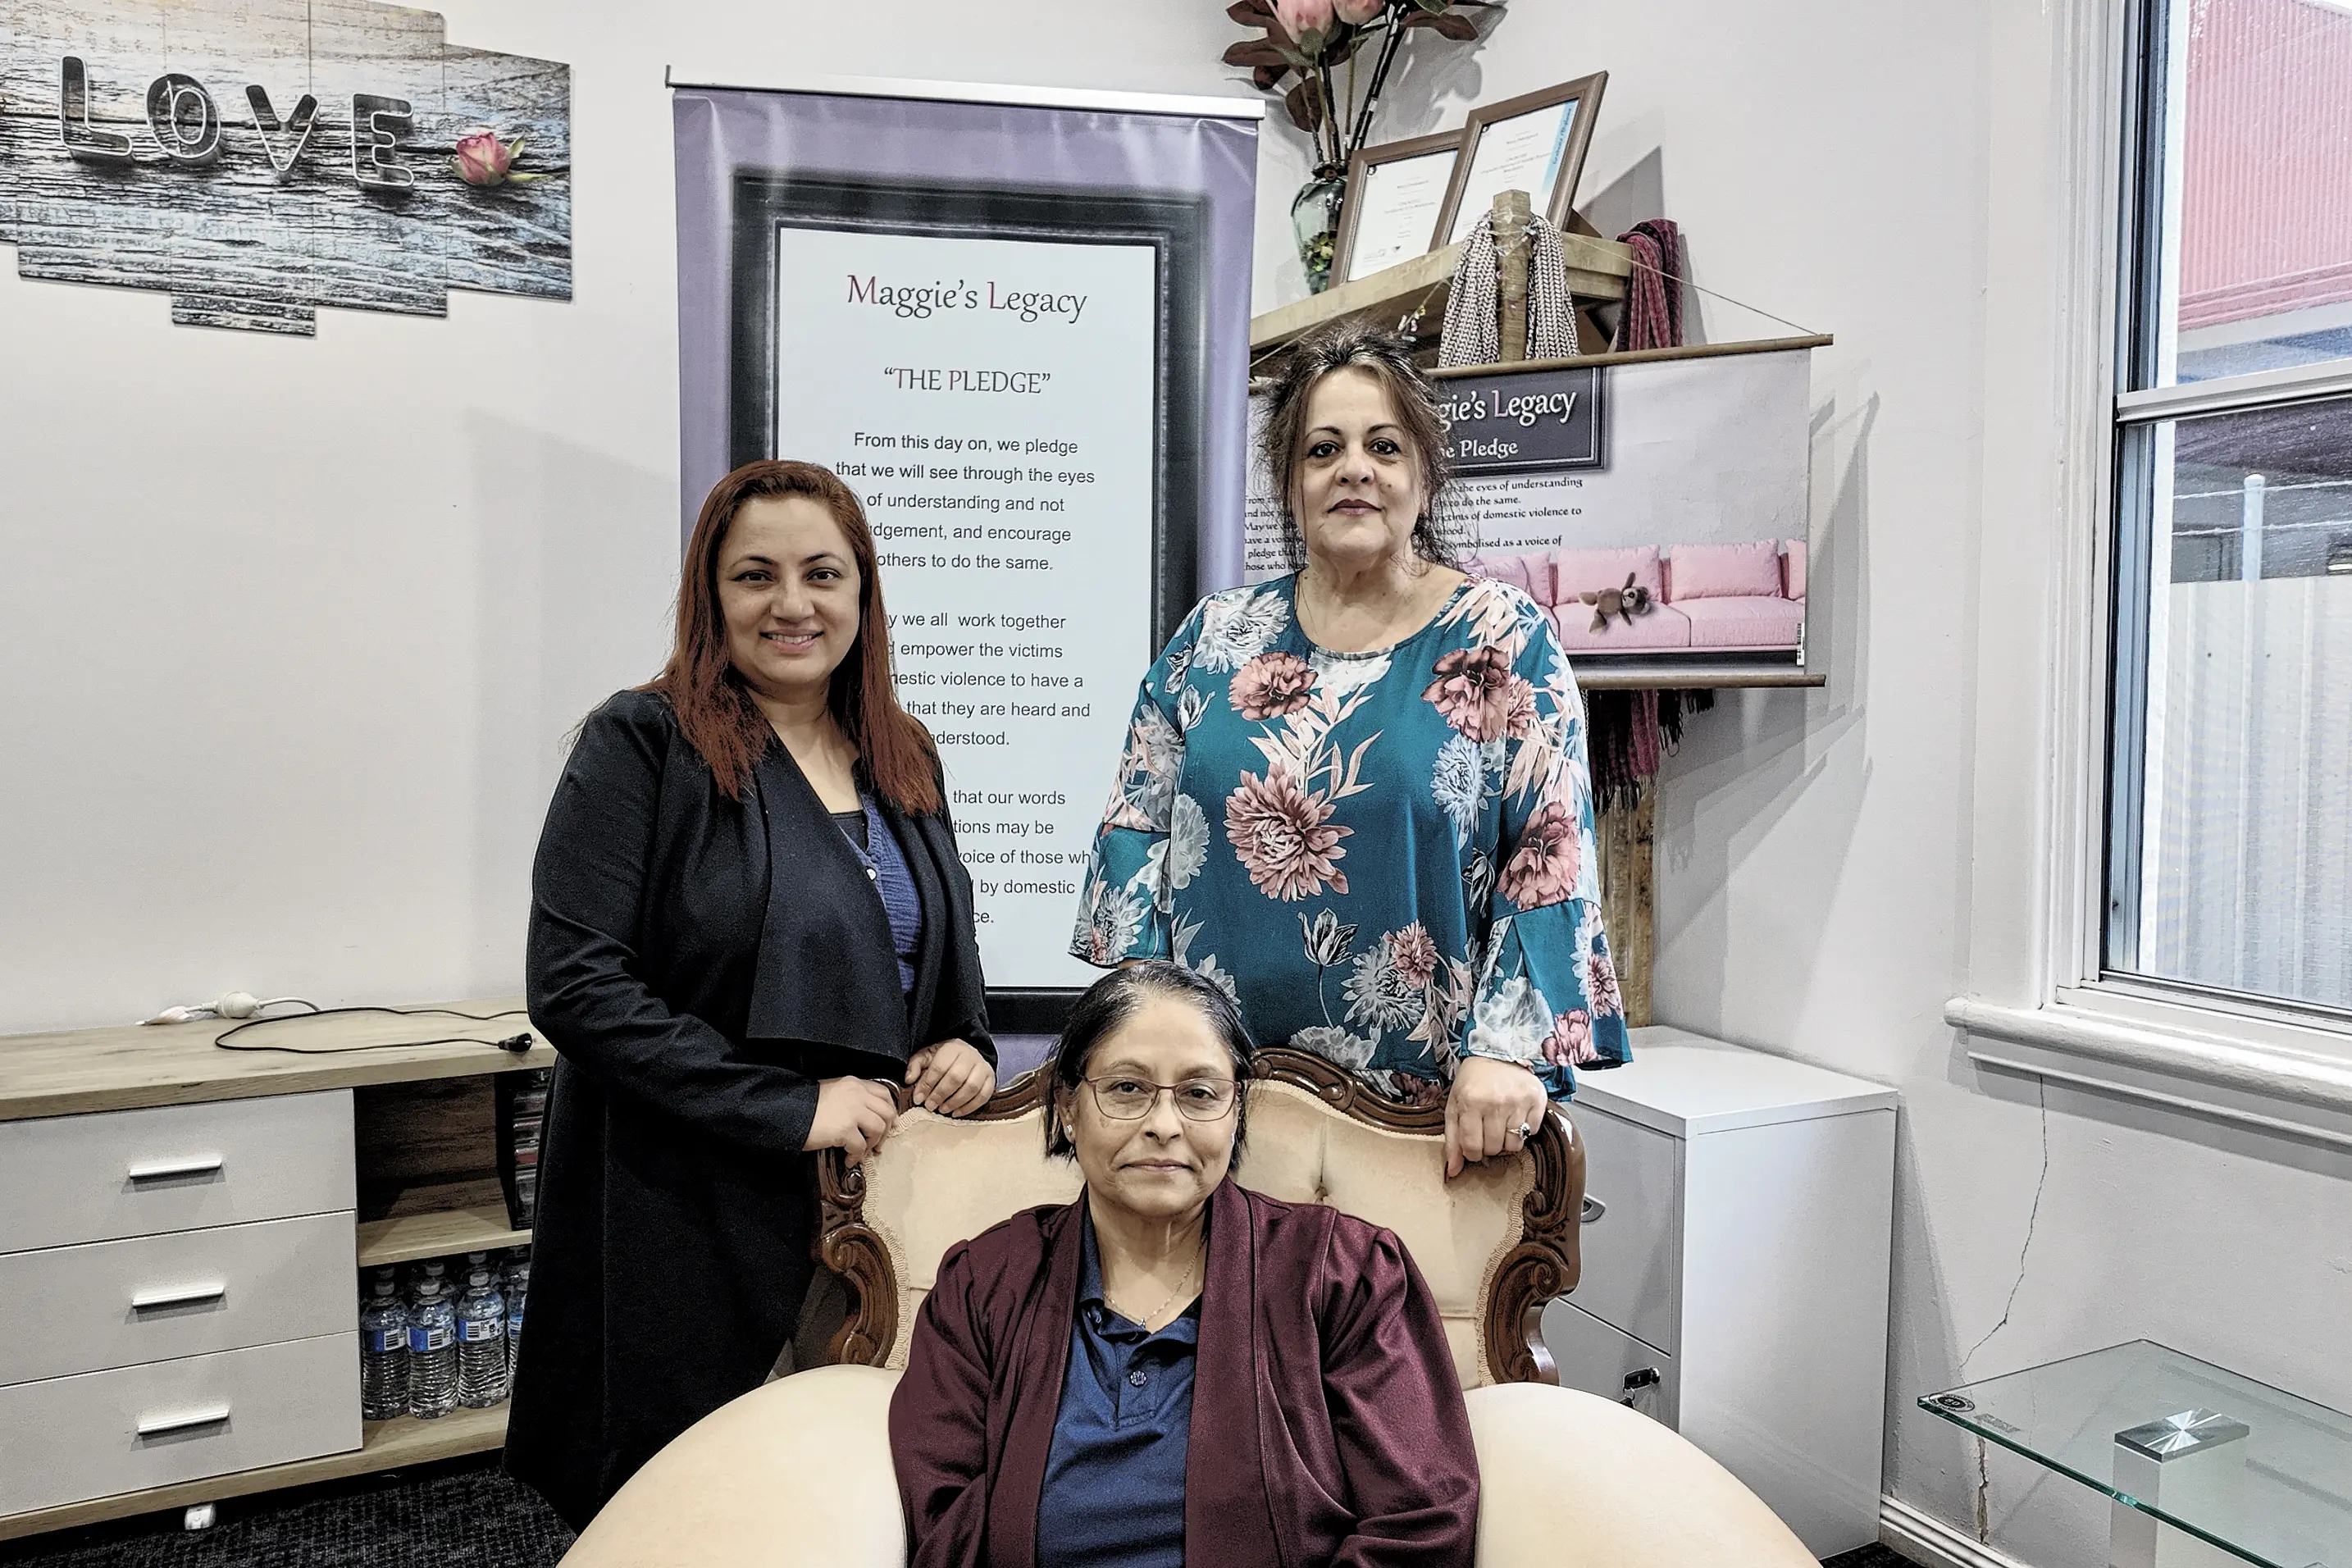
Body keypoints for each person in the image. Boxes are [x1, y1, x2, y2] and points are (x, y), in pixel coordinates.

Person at [509, 459, 998, 1529]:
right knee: (692, 1507)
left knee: (844, 1497)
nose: (792, 604)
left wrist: (961, 1040)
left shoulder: (902, 755)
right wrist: (793, 1105)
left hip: (873, 1211)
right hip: (687, 1205)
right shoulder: (642, 745)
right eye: (756, 576)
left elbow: (926, 959)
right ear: (710, 596)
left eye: (823, 574)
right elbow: (575, 984)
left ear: (861, 596)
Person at [1073, 319, 1629, 1178]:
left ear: (1424, 472)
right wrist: (1143, 1040)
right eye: (1323, 449)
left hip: (1430, 1118)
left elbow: (1547, 855)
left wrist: (1509, 1049)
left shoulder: (1504, 640)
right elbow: (1135, 828)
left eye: (1384, 446)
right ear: (1289, 484)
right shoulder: (1214, 639)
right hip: (1214, 1118)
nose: (1354, 469)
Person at [891, 962, 1478, 1567]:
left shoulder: (1345, 1276)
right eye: (1126, 1089)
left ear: (1235, 1110)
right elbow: (942, 1519)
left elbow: (1421, 1520)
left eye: (1199, 1094)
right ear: (1068, 1105)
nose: (1163, 1126)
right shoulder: (986, 1284)